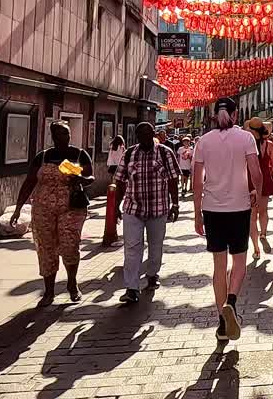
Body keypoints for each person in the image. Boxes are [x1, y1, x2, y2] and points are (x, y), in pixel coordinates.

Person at [192, 98, 262, 342]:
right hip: (239, 207)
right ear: (234, 114)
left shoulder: (203, 141)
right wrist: (257, 193)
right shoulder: (246, 138)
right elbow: (256, 172)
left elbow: (197, 181)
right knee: (239, 261)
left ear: (214, 115)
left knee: (219, 267)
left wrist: (197, 213)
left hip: (212, 209)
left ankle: (222, 324)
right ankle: (231, 301)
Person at [11, 120, 94, 306]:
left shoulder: (79, 154)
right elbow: (30, 182)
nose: (66, 137)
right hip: (43, 209)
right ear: (53, 136)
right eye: (61, 133)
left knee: (69, 245)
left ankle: (72, 283)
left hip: (71, 207)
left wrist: (81, 179)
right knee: (46, 248)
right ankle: (49, 292)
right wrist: (18, 208)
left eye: (67, 133)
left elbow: (91, 176)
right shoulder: (42, 157)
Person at [112, 122, 179, 304]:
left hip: (158, 209)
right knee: (132, 248)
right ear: (137, 137)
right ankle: (131, 288)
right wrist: (116, 206)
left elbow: (173, 179)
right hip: (133, 209)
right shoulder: (129, 154)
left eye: (148, 134)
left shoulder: (165, 153)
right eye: (141, 135)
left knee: (155, 246)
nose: (145, 138)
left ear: (153, 134)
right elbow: (120, 181)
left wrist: (175, 204)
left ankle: (152, 274)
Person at [244, 118, 273, 261]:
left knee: (252, 217)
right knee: (263, 211)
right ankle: (263, 233)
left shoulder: (246, 144)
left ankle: (256, 249)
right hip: (264, 179)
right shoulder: (268, 144)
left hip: (250, 180)